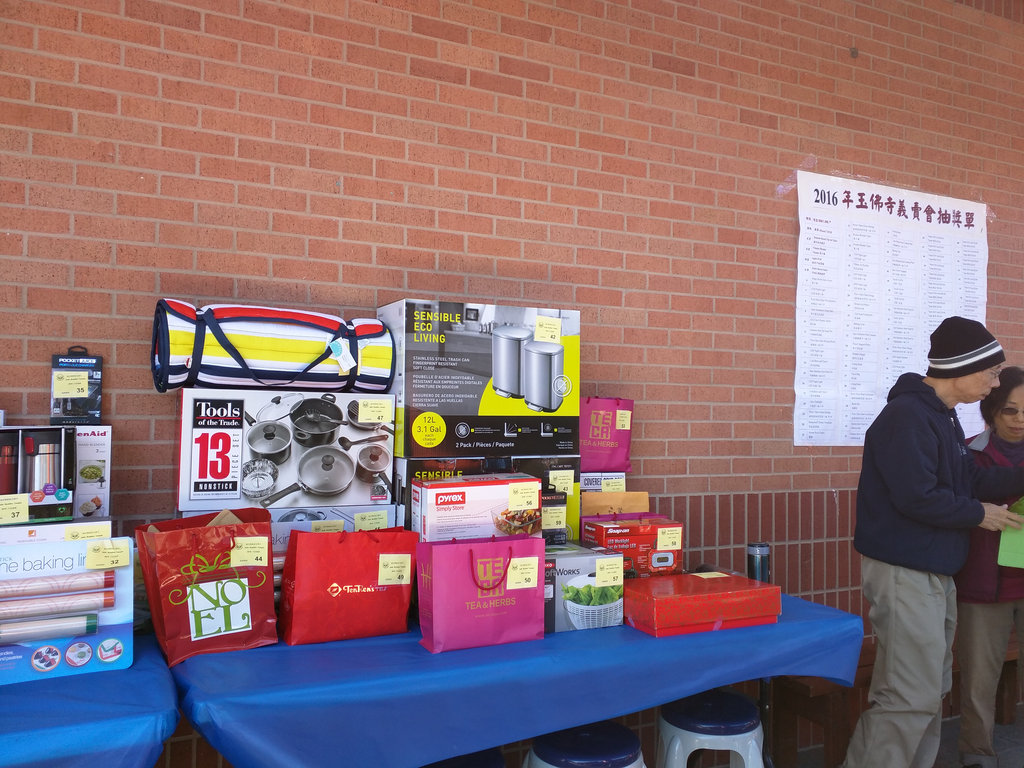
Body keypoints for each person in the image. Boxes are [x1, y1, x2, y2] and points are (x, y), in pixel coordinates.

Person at [841, 316, 1024, 768]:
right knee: (909, 695)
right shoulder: (907, 417)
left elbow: (971, 479)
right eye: (992, 373)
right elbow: (916, 496)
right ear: (962, 368)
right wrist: (980, 514)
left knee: (928, 690)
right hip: (906, 573)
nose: (995, 384)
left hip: (933, 573)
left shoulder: (942, 417)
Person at [955, 365, 1024, 768]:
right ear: (992, 411)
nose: (1019, 419)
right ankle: (977, 753)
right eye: (1010, 410)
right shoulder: (968, 452)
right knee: (979, 680)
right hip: (983, 584)